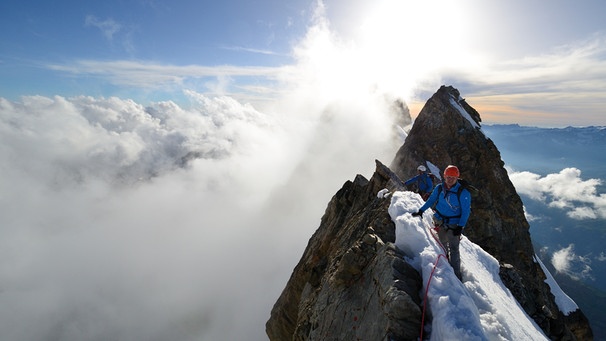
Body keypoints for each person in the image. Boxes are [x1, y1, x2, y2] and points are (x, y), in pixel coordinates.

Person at [411, 165, 471, 281]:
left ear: (457, 178)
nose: (450, 179)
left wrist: (460, 226)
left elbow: (466, 211)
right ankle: (445, 263)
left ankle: (456, 276)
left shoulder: (463, 193)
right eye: (448, 177)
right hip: (439, 221)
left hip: (454, 225)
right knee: (442, 245)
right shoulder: (439, 188)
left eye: (453, 177)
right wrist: (421, 211)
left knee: (454, 249)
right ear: (444, 176)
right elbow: (431, 200)